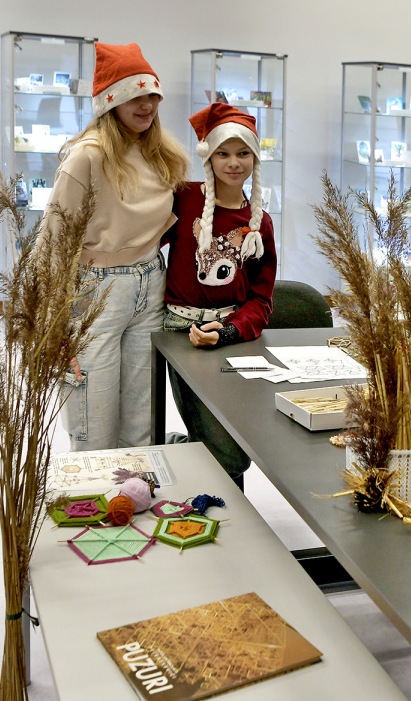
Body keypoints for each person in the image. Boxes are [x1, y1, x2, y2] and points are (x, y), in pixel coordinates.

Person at [42, 42, 189, 451]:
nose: (147, 105)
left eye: (153, 95)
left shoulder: (161, 155)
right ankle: (94, 492)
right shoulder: (86, 157)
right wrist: (54, 327)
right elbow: (52, 243)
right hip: (96, 290)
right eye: (133, 96)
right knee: (94, 422)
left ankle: (135, 489)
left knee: (142, 424)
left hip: (151, 282)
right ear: (110, 102)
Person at [161, 103, 277, 486]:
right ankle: (178, 448)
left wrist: (228, 331)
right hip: (181, 333)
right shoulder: (183, 198)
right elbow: (143, 244)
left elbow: (261, 300)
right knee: (227, 452)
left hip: (231, 335)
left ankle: (201, 472)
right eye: (223, 153)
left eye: (243, 153)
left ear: (255, 158)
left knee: (235, 445)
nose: (233, 163)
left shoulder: (260, 224)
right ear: (208, 155)